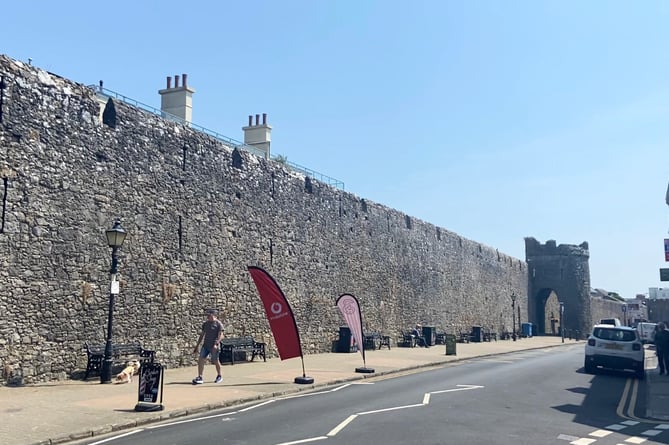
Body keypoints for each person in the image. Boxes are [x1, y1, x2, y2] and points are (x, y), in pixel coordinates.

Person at [192, 309, 225, 384]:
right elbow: (202, 335)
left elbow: (222, 335)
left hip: (214, 346)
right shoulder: (205, 324)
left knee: (215, 361)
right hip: (206, 345)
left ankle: (219, 375)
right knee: (201, 359)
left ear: (213, 315)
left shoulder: (218, 324)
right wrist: (197, 346)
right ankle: (200, 377)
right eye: (207, 315)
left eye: (208, 315)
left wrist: (216, 344)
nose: (207, 317)